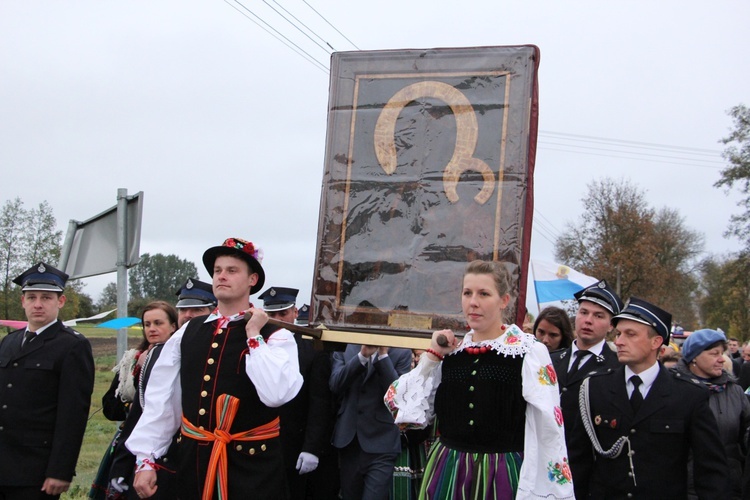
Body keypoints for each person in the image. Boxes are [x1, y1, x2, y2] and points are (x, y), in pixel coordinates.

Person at [126, 237, 304, 500]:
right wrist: (147, 459)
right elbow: (163, 399)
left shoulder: (275, 336)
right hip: (195, 462)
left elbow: (276, 393)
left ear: (252, 280)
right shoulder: (188, 331)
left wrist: (253, 336)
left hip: (253, 470)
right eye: (218, 271)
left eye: (232, 271)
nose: (222, 276)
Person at [386, 260, 573, 499]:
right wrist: (432, 358)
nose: (473, 302)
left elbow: (549, 429)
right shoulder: (452, 353)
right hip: (448, 470)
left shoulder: (528, 353)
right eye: (467, 293)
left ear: (504, 300)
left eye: (484, 293)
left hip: (502, 474)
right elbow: (400, 408)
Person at [569, 297, 729, 499]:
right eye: (618, 334)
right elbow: (578, 461)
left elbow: (711, 470)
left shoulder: (688, 395)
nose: (619, 341)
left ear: (656, 342)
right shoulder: (595, 387)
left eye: (630, 334)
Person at [0, 262, 95, 500]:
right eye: (31, 297)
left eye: (46, 297)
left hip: (35, 469)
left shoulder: (72, 345)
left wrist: (60, 470)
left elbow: (73, 414)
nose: (38, 304)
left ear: (60, 302)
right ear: (23, 301)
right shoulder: (9, 342)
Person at [89, 301, 179, 499]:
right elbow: (110, 408)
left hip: (164, 444)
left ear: (173, 326)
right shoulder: (133, 359)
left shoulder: (179, 358)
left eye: (158, 323)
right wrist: (131, 405)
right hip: (130, 439)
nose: (152, 329)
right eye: (147, 324)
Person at [258, 286, 339, 500]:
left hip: (293, 442)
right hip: (255, 442)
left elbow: (319, 402)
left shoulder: (312, 350)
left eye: (283, 313)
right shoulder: (255, 344)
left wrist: (312, 447)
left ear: (295, 313)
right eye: (271, 314)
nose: (277, 320)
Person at [330, 341, 412, 500]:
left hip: (382, 442)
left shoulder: (402, 352)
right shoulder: (347, 344)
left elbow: (398, 397)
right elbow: (335, 384)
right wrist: (362, 356)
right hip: (350, 441)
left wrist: (383, 356)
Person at [675, 329, 750, 499]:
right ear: (694, 356)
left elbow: (745, 431)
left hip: (728, 487)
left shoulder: (734, 392)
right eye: (714, 353)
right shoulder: (673, 388)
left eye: (722, 353)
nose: (722, 359)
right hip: (685, 487)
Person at [550, 279, 622, 445]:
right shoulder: (552, 360)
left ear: (611, 325)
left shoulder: (617, 368)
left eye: (598, 316)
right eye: (584, 312)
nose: (588, 320)